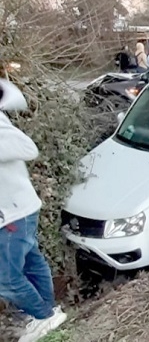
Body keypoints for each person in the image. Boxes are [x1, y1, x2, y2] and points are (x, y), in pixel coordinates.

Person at [0, 79, 68, 342]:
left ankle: (43, 316)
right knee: (31, 262)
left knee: (5, 278)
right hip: (17, 209)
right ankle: (48, 314)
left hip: (13, 214)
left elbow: (29, 148)